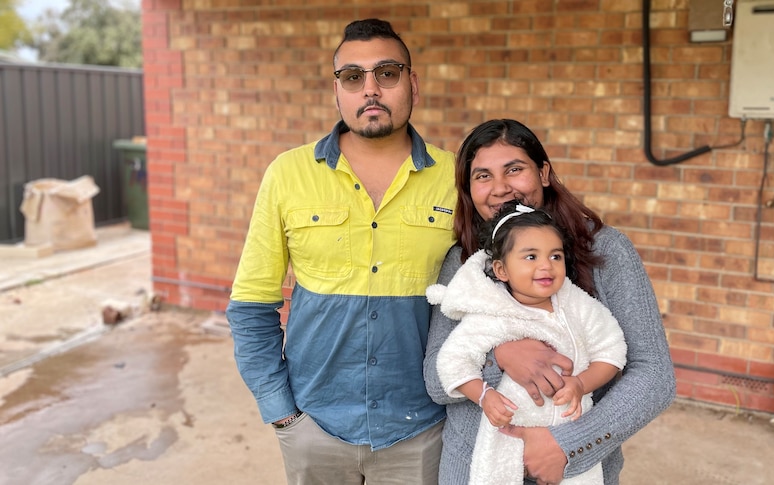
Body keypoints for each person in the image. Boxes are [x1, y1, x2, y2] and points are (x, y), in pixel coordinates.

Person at [226, 18, 457, 484]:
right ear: (337, 90)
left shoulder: (457, 177)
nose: (370, 89)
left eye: (386, 73)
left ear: (412, 83)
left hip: (422, 428)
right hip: (315, 427)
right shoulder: (288, 174)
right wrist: (282, 414)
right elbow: (251, 304)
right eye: (353, 77)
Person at [423, 119, 676, 485]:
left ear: (543, 172)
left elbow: (654, 375)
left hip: (574, 468)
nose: (500, 188)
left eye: (514, 169)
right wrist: (501, 357)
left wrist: (569, 445)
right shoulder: (464, 262)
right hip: (475, 468)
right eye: (482, 176)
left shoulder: (605, 250)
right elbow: (435, 378)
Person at [427, 200, 627, 485]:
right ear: (502, 270)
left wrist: (582, 383)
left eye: (555, 256)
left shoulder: (580, 307)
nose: (546, 265)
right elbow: (452, 361)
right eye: (531, 257)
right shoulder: (492, 315)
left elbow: (612, 349)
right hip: (505, 442)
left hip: (567, 438)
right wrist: (483, 395)